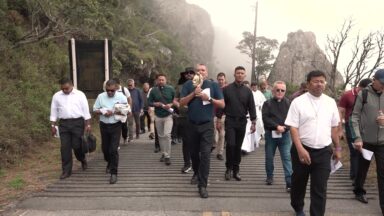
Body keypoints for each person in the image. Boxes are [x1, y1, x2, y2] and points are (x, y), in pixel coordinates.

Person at [285, 70, 341, 216]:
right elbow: (293, 127)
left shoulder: (330, 102)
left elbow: (334, 127)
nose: (319, 84)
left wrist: (338, 148)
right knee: (298, 183)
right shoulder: (298, 102)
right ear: (308, 83)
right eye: (316, 81)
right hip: (302, 149)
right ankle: (298, 208)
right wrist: (300, 149)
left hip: (323, 151)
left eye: (322, 81)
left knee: (320, 188)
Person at [180, 63, 224, 198]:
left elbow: (222, 103)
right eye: (198, 70)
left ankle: (203, 185)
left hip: (207, 125)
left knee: (205, 154)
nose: (200, 72)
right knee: (193, 153)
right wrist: (194, 93)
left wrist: (209, 98)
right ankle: (196, 172)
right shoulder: (188, 85)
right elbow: (182, 103)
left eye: (203, 70)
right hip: (192, 124)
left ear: (206, 72)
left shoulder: (214, 85)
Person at [350, 69, 384, 214]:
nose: (383, 86)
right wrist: (357, 137)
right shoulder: (363, 94)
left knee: (382, 173)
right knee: (362, 169)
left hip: (382, 142)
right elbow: (354, 117)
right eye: (382, 83)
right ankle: (359, 191)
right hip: (365, 141)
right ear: (374, 80)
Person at [217, 66, 256, 182]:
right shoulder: (226, 89)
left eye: (242, 73)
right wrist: (218, 119)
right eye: (238, 73)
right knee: (230, 145)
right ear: (234, 74)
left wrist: (253, 122)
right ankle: (228, 168)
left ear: (244, 75)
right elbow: (221, 105)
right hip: (230, 120)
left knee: (238, 146)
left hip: (242, 121)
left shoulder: (248, 91)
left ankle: (236, 169)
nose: (240, 75)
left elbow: (252, 107)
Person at [50, 78, 91, 179]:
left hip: (78, 123)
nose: (65, 90)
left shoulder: (80, 95)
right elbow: (54, 111)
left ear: (72, 86)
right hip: (63, 124)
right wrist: (53, 125)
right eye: (62, 89)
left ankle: (82, 159)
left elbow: (85, 110)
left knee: (77, 146)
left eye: (67, 88)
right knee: (65, 148)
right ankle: (66, 171)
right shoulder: (56, 96)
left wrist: (88, 124)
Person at [93, 79, 128, 184]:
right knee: (105, 149)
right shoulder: (101, 96)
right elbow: (95, 109)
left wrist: (113, 112)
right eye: (108, 90)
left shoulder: (121, 97)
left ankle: (114, 173)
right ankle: (109, 163)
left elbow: (127, 110)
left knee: (113, 149)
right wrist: (103, 111)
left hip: (116, 125)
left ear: (116, 88)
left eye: (112, 90)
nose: (109, 92)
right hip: (104, 125)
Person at [338, 78, 371, 181]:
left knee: (364, 151)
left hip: (366, 127)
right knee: (355, 151)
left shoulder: (370, 95)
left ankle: (359, 176)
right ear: (360, 87)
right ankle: (355, 176)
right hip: (351, 125)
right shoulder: (348, 95)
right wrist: (339, 129)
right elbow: (340, 112)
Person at [262, 81, 292, 192]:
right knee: (269, 157)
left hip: (285, 135)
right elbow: (265, 119)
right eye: (277, 90)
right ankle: (269, 176)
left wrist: (285, 128)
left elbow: (292, 119)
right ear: (273, 90)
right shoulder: (267, 103)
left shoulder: (289, 103)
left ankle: (289, 182)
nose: (280, 92)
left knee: (287, 158)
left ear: (285, 91)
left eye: (282, 90)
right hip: (271, 135)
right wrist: (276, 126)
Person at [148, 73, 176, 166]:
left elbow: (175, 100)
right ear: (157, 81)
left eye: (162, 80)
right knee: (160, 136)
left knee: (167, 135)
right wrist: (155, 104)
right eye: (159, 80)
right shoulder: (153, 90)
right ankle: (163, 153)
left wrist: (171, 105)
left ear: (166, 80)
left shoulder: (171, 89)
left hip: (168, 115)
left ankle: (167, 156)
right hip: (158, 116)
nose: (161, 81)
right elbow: (149, 102)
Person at [175, 67, 195, 172]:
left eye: (191, 73)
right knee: (186, 141)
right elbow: (174, 100)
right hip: (184, 117)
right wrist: (179, 105)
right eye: (187, 73)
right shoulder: (180, 87)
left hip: (197, 117)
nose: (189, 74)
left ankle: (196, 162)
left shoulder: (200, 85)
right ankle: (187, 163)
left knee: (196, 141)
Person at [113, 78, 132, 145]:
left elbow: (129, 99)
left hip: (123, 111)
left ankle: (125, 137)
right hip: (115, 111)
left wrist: (129, 109)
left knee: (124, 126)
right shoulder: (112, 90)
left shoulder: (124, 90)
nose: (115, 87)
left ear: (119, 84)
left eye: (116, 85)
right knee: (115, 126)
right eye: (114, 85)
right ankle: (116, 142)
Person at [214, 72, 227, 160]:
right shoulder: (214, 88)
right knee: (214, 134)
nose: (221, 81)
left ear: (225, 80)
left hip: (223, 115)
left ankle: (220, 152)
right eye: (219, 79)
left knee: (222, 134)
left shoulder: (227, 89)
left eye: (222, 79)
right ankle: (213, 145)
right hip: (213, 114)